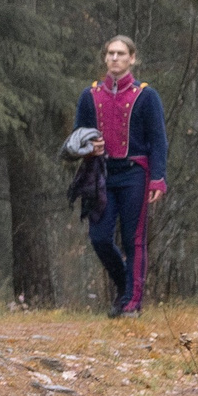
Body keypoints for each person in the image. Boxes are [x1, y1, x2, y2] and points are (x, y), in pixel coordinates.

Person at [74, 35, 169, 316]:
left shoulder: (146, 95)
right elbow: (78, 135)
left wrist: (158, 179)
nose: (115, 58)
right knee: (100, 237)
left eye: (121, 53)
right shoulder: (89, 96)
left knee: (133, 239)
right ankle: (125, 286)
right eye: (110, 54)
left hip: (135, 174)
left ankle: (132, 303)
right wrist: (89, 146)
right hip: (101, 174)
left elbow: (158, 140)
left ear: (132, 58)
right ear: (105, 58)